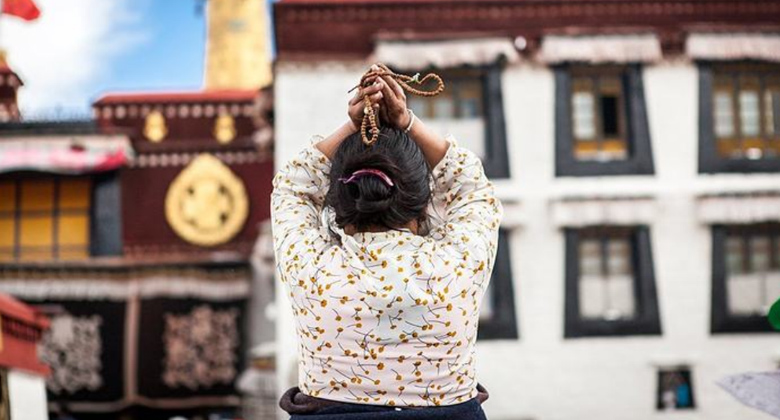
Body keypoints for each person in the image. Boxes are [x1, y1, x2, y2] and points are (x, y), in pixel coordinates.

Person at [272, 66, 503, 419]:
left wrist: (353, 125)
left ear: (339, 202)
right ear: (423, 203)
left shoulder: (313, 272)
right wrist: (406, 121)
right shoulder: (455, 266)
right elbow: (471, 187)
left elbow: (291, 188)